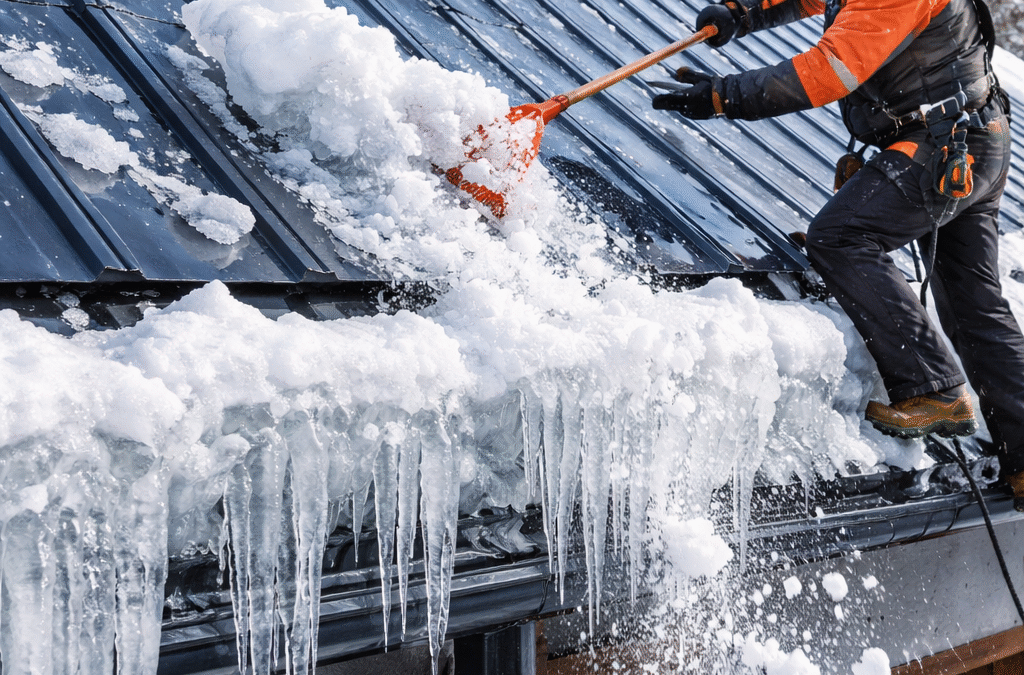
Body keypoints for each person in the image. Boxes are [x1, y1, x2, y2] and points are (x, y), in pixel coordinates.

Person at [651, 0, 1024, 503]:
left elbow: (829, 71)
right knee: (974, 305)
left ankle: (933, 387)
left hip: (944, 143)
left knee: (841, 237)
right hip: (975, 136)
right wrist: (743, 14)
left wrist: (723, 96)